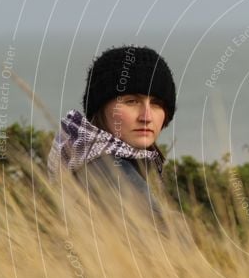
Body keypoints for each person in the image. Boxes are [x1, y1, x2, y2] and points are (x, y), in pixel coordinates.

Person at [47, 45, 177, 226]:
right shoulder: (107, 169)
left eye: (156, 103)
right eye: (131, 101)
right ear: (100, 107)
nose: (146, 117)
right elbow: (163, 242)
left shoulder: (82, 156)